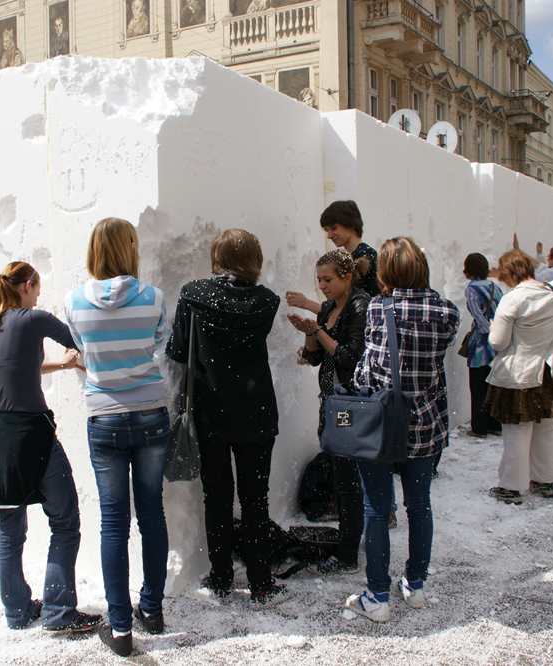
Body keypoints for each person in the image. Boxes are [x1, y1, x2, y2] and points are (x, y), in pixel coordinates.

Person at [0, 260, 100, 634]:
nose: (37, 297)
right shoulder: (33, 319)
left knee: (10, 529)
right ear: (28, 285)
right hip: (34, 434)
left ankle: (16, 611)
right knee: (65, 521)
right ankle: (60, 612)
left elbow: (16, 368)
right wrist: (78, 359)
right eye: (37, 290)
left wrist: (59, 368)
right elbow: (80, 340)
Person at [64, 218, 170, 657]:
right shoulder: (154, 298)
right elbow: (158, 344)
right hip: (149, 412)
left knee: (113, 522)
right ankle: (153, 609)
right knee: (151, 513)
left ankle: (121, 627)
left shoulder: (73, 301)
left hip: (105, 416)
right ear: (130, 248)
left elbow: (83, 351)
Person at [166, 229, 284, 605]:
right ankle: (262, 583)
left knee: (216, 496)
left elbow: (176, 349)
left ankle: (220, 577)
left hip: (212, 412)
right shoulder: (267, 302)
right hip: (256, 411)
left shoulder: (193, 296)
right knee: (255, 499)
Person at [343, 237, 459, 622]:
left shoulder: (380, 308)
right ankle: (416, 584)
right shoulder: (446, 312)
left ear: (387, 272)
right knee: (420, 505)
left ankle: (377, 596)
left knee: (377, 508)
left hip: (383, 427)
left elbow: (369, 371)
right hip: (426, 424)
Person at [288, 249, 369, 574]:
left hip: (349, 402)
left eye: (328, 279)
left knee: (348, 478)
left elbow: (350, 355)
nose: (322, 286)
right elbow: (316, 358)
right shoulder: (328, 308)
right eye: (319, 279)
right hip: (331, 401)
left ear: (346, 276)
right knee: (340, 473)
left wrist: (318, 331)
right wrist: (310, 333)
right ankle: (348, 541)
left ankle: (349, 552)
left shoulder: (358, 306)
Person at [485, 250, 553, 505]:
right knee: (546, 427)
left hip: (520, 370)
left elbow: (498, 342)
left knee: (517, 431)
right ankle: (544, 480)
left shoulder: (513, 299)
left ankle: (512, 485)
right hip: (549, 368)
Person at [287, 200, 379, 316]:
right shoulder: (355, 255)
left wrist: (306, 303)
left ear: (350, 224)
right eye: (327, 230)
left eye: (334, 228)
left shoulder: (365, 256)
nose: (329, 235)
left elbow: (343, 310)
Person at [462, 253, 503, 438]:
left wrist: (486, 331)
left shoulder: (471, 288)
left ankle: (479, 427)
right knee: (492, 384)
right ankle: (494, 423)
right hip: (497, 341)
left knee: (477, 386)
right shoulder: (495, 286)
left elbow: (477, 314)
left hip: (481, 343)